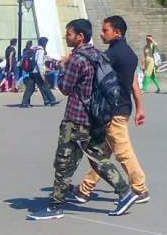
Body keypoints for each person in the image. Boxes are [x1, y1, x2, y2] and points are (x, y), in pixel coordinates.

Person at [27, 19, 130, 221]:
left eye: (69, 34)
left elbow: (65, 87)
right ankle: (125, 191)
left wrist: (62, 66)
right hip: (94, 116)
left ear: (80, 36)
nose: (67, 37)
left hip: (75, 117)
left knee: (63, 162)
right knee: (97, 158)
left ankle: (56, 205)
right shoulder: (97, 54)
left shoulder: (77, 60)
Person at [70, 15, 150, 215]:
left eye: (105, 30)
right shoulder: (129, 54)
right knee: (101, 152)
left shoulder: (112, 55)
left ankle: (139, 188)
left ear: (117, 32)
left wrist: (69, 59)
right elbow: (134, 83)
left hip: (112, 110)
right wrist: (140, 107)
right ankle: (84, 189)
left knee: (122, 151)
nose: (101, 33)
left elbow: (93, 67)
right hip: (123, 107)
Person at [22, 37, 58, 107]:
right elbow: (39, 62)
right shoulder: (40, 50)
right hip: (37, 71)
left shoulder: (34, 49)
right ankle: (52, 100)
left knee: (30, 87)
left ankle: (25, 102)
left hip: (31, 71)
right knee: (44, 85)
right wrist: (42, 74)